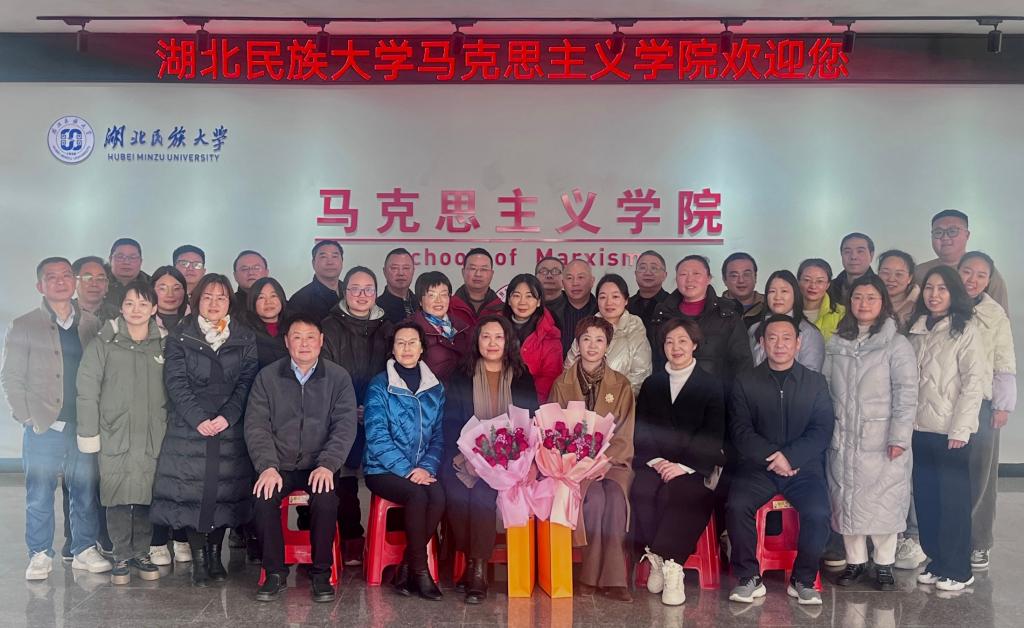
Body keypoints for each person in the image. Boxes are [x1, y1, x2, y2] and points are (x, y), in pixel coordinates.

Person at [150, 274, 259, 587]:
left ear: (229, 302)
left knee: (224, 492)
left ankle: (214, 555)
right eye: (208, 297)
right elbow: (175, 382)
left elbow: (247, 381)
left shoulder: (243, 336)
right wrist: (198, 419)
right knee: (192, 492)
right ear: (197, 300)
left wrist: (228, 416)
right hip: (189, 427)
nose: (214, 303)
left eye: (221, 297)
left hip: (229, 427)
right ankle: (199, 559)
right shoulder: (180, 335)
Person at [3, 257, 108, 581]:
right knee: (39, 493)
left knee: (84, 490)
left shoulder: (91, 323)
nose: (60, 281)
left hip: (83, 424)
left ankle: (84, 548)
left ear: (74, 282)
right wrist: (26, 417)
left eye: (66, 275)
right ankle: (39, 553)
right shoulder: (24, 324)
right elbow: (11, 376)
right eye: (52, 277)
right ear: (40, 285)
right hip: (44, 425)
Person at [246, 314, 358, 603]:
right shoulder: (267, 377)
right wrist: (267, 466)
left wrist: (328, 464)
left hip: (319, 465)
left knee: (326, 499)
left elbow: (345, 426)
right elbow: (256, 426)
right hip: (278, 465)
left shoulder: (338, 378)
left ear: (321, 341)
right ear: (286, 342)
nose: (304, 343)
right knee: (263, 497)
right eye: (297, 337)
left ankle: (321, 573)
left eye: (310, 337)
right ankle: (274, 572)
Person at [726, 314, 835, 606]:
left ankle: (803, 579)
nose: (780, 344)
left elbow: (823, 428)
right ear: (762, 343)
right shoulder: (746, 381)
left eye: (787, 338)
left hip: (803, 468)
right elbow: (739, 430)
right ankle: (748, 577)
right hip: (758, 467)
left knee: (818, 513)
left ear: (798, 344)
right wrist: (772, 458)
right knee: (736, 506)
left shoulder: (815, 382)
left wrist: (791, 457)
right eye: (772, 338)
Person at [823, 274, 918, 591]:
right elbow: (825, 386)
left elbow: (907, 394)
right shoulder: (837, 341)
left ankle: (884, 563)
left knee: (884, 500)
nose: (863, 304)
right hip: (843, 434)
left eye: (871, 297)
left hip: (881, 438)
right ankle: (855, 561)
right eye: (858, 297)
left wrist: (899, 437)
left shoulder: (896, 344)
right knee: (846, 499)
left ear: (883, 303)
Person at [441, 316, 540, 604]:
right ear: (477, 341)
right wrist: (467, 458)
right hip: (467, 457)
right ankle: (471, 561)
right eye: (486, 337)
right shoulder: (462, 375)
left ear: (508, 342)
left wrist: (526, 462)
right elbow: (450, 421)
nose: (492, 343)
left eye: (499, 337)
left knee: (483, 497)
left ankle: (477, 572)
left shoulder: (521, 376)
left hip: (509, 463)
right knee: (457, 495)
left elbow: (531, 424)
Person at [75, 281, 168, 585]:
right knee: (116, 494)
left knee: (146, 493)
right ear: (121, 308)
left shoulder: (164, 344)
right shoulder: (104, 343)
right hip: (114, 431)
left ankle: (142, 552)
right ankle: (121, 555)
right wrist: (89, 432)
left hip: (153, 432)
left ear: (154, 308)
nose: (136, 310)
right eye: (130, 303)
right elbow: (87, 390)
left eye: (143, 304)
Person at [632, 318, 725, 606]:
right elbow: (642, 428)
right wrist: (658, 461)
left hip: (695, 467)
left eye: (683, 341)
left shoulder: (711, 385)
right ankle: (657, 559)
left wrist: (682, 466)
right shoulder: (653, 383)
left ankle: (672, 566)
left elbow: (714, 433)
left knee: (682, 494)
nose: (676, 347)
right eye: (670, 341)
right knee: (641, 490)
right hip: (656, 462)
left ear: (694, 344)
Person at [908, 265, 986, 591]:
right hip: (918, 429)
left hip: (950, 432)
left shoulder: (966, 330)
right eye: (929, 288)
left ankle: (958, 569)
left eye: (942, 289)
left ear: (954, 293)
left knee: (953, 503)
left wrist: (961, 429)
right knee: (927, 500)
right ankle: (937, 561)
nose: (934, 295)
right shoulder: (916, 329)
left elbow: (973, 384)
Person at [549, 316, 635, 602]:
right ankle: (590, 575)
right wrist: (578, 463)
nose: (592, 345)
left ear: (607, 345)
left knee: (616, 498)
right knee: (595, 500)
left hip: (612, 463)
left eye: (599, 340)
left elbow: (625, 432)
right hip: (573, 467)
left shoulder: (621, 385)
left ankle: (614, 579)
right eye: (586, 339)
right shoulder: (562, 384)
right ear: (578, 344)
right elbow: (552, 432)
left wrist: (606, 461)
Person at [363, 322, 446, 601]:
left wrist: (426, 468)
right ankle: (421, 572)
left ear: (422, 348)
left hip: (422, 468)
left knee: (438, 496)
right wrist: (409, 470)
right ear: (392, 348)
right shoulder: (380, 385)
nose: (406, 348)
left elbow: (439, 436)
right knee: (417, 495)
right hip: (382, 468)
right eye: (400, 343)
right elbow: (377, 437)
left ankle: (406, 566)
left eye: (412, 342)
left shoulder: (435, 387)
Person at [321, 266, 394, 564]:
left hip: (379, 414)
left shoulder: (388, 328)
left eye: (368, 289)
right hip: (339, 412)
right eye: (355, 289)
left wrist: (373, 409)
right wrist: (348, 409)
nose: (362, 295)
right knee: (345, 475)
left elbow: (394, 373)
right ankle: (351, 537)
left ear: (376, 292)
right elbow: (324, 374)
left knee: (388, 471)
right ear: (344, 291)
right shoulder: (328, 326)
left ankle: (388, 540)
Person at [958, 252, 1017, 571]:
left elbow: (1004, 359)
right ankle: (947, 538)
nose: (973, 279)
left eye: (981, 275)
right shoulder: (941, 304)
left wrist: (1002, 404)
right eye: (967, 272)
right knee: (947, 475)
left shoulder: (994, 314)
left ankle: (979, 542)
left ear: (989, 280)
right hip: (946, 403)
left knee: (980, 475)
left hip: (982, 403)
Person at [648, 255, 752, 388]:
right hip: (671, 394)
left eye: (696, 274)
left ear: (708, 278)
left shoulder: (727, 314)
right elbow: (656, 361)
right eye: (683, 274)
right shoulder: (662, 315)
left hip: (718, 395)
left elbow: (743, 363)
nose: (689, 279)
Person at [565, 274, 652, 395]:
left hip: (620, 402)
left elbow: (640, 376)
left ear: (626, 300)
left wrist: (611, 399)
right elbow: (569, 369)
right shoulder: (587, 328)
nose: (609, 302)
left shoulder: (635, 331)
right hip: (582, 401)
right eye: (602, 297)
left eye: (615, 296)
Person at [915, 209, 1008, 311]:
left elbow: (1000, 316)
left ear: (967, 235)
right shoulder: (918, 272)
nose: (945, 237)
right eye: (938, 232)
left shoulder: (984, 273)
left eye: (952, 231)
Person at [748, 270, 825, 372]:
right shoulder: (754, 329)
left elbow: (811, 375)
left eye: (784, 291)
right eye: (772, 291)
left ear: (795, 294)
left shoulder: (809, 333)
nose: (777, 297)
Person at [503, 274, 562, 402]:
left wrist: (531, 407)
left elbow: (549, 378)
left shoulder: (550, 334)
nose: (522, 302)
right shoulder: (494, 327)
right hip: (496, 399)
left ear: (539, 301)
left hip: (532, 403)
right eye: (516, 296)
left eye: (529, 296)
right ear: (509, 300)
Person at [409, 271, 473, 382]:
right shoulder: (409, 330)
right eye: (431, 295)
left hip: (461, 391)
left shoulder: (462, 327)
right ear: (420, 300)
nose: (438, 301)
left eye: (443, 295)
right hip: (429, 391)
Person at [549, 260, 598, 357]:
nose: (575, 283)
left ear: (592, 281)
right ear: (563, 283)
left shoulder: (602, 311)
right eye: (569, 278)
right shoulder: (549, 313)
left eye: (581, 277)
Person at [288, 241, 345, 323]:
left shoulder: (351, 293)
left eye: (335, 256)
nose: (330, 262)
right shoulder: (300, 300)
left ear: (342, 261)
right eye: (323, 257)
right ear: (313, 263)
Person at [244, 277, 290, 370]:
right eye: (261, 297)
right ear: (253, 302)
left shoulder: (294, 326)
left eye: (273, 296)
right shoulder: (244, 332)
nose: (268, 302)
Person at [451, 248, 504, 324]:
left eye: (484, 269)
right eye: (473, 268)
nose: (478, 274)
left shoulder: (502, 310)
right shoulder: (449, 307)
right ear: (463, 272)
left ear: (491, 274)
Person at [798, 258, 845, 343]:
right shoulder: (788, 311)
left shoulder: (841, 313)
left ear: (828, 285)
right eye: (807, 280)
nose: (813, 286)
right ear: (798, 281)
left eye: (820, 281)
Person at [828, 233, 876, 306]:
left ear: (871, 255)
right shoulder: (829, 288)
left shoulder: (880, 288)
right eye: (847, 252)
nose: (853, 257)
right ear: (841, 254)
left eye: (860, 251)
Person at [877, 249, 920, 332]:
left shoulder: (919, 306)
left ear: (910, 278)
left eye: (899, 274)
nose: (891, 279)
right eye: (885, 273)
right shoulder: (866, 301)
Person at [627, 251, 670, 331]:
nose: (647, 273)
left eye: (654, 268)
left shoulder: (673, 304)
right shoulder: (626, 305)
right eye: (642, 268)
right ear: (636, 274)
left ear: (664, 275)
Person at [721, 252, 765, 329]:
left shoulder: (770, 306)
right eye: (734, 276)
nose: (741, 280)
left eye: (746, 274)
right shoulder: (713, 309)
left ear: (755, 277)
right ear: (724, 280)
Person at [378, 248, 418, 324]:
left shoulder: (422, 305)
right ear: (384, 271)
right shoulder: (376, 309)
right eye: (394, 268)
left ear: (413, 271)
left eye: (406, 268)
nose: (401, 273)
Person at [73, 256, 119, 322]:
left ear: (106, 285)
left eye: (100, 279)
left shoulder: (120, 315)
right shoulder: (62, 313)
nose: (94, 284)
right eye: (87, 278)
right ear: (74, 282)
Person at [105, 238, 148, 308]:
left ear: (141, 261)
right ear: (110, 259)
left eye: (132, 257)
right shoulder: (98, 283)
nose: (126, 262)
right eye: (120, 257)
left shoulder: (152, 284)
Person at [151, 265, 188, 333]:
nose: (170, 295)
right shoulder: (140, 320)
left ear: (184, 291)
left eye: (176, 288)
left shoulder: (197, 321)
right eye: (163, 289)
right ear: (151, 290)